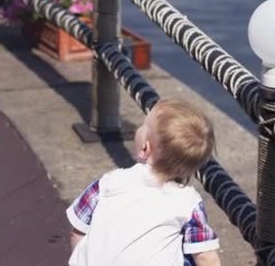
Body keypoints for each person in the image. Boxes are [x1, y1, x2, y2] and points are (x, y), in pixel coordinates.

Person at [67, 99, 221, 266]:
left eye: (143, 125)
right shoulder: (189, 202)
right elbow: (205, 257)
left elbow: (77, 232)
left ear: (145, 148)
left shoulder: (108, 183)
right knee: (188, 251)